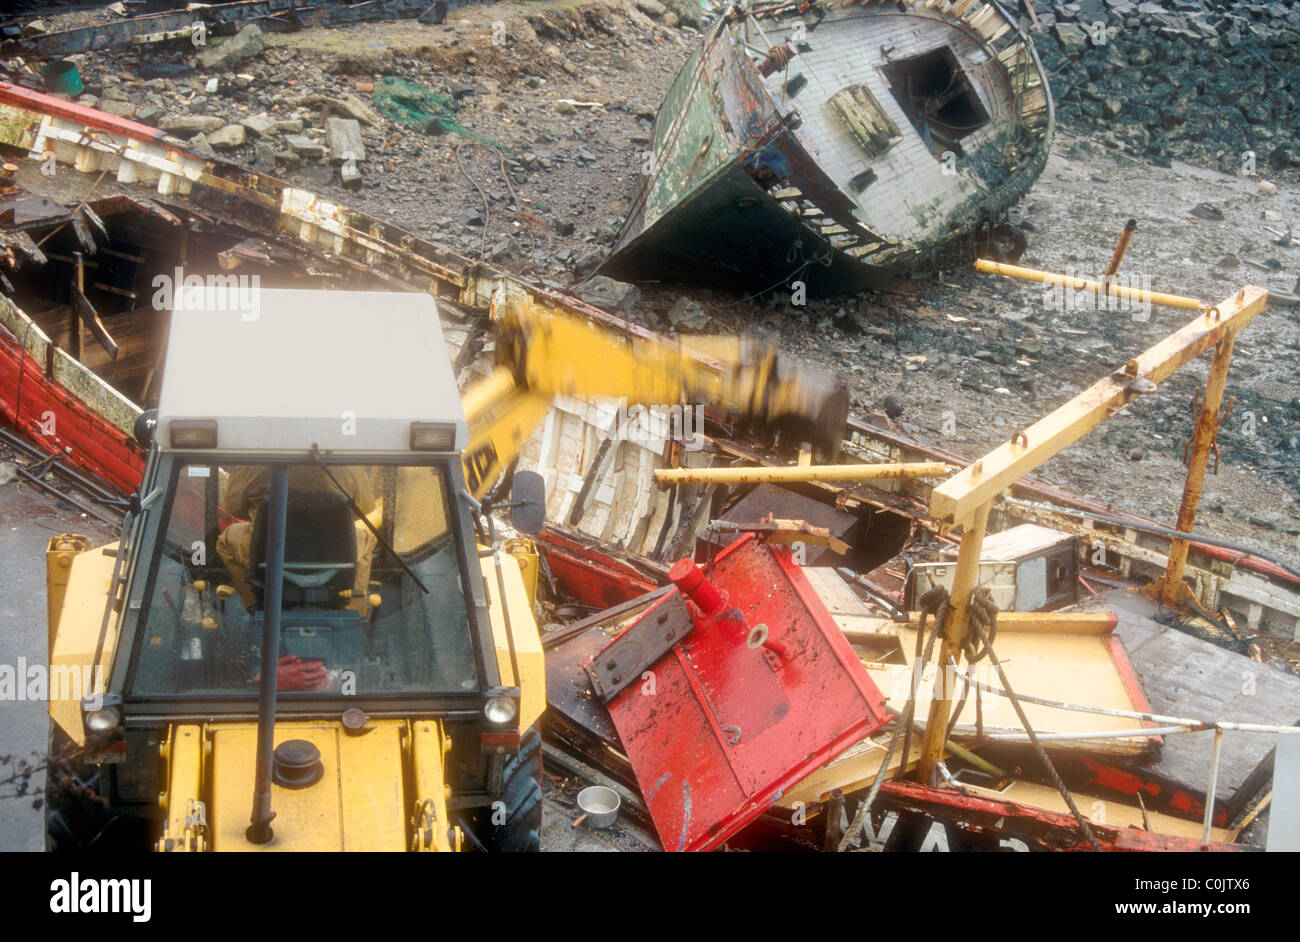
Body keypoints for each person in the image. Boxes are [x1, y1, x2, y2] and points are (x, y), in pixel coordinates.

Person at [216, 464, 378, 614]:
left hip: (271, 554)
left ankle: (255, 606)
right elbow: (365, 508)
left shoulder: (255, 460)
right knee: (366, 538)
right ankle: (352, 612)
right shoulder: (348, 464)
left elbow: (234, 507)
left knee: (227, 539)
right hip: (333, 554)